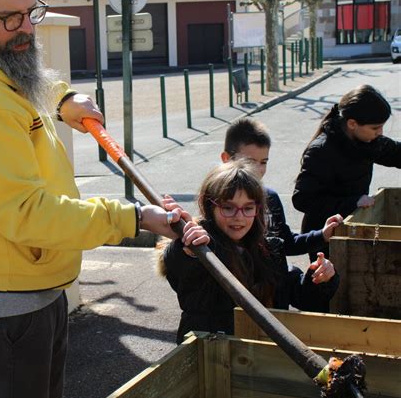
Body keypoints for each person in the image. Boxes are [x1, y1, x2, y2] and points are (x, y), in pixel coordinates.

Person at [0, 0, 200, 398]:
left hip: (14, 279)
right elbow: (27, 214)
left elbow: (20, 75)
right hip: (7, 299)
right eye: (12, 18)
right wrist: (134, 218)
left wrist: (62, 98)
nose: (27, 28)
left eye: (33, 11)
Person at [158, 160, 339, 344]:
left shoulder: (269, 249)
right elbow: (182, 272)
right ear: (209, 206)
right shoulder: (202, 250)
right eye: (228, 207)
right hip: (211, 355)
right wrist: (188, 249)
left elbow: (299, 297)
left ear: (258, 209)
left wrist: (318, 279)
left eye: (248, 208)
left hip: (261, 355)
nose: (239, 217)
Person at [292, 84, 401, 260]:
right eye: (375, 128)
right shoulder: (322, 151)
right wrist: (353, 202)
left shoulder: (369, 142)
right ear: (352, 124)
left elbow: (396, 153)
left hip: (354, 229)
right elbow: (303, 199)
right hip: (326, 238)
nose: (380, 133)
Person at [221, 117, 342, 257]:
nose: (258, 169)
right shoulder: (217, 201)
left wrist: (322, 235)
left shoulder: (270, 198)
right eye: (249, 161)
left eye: (263, 162)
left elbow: (286, 244)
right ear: (226, 159)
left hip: (271, 277)